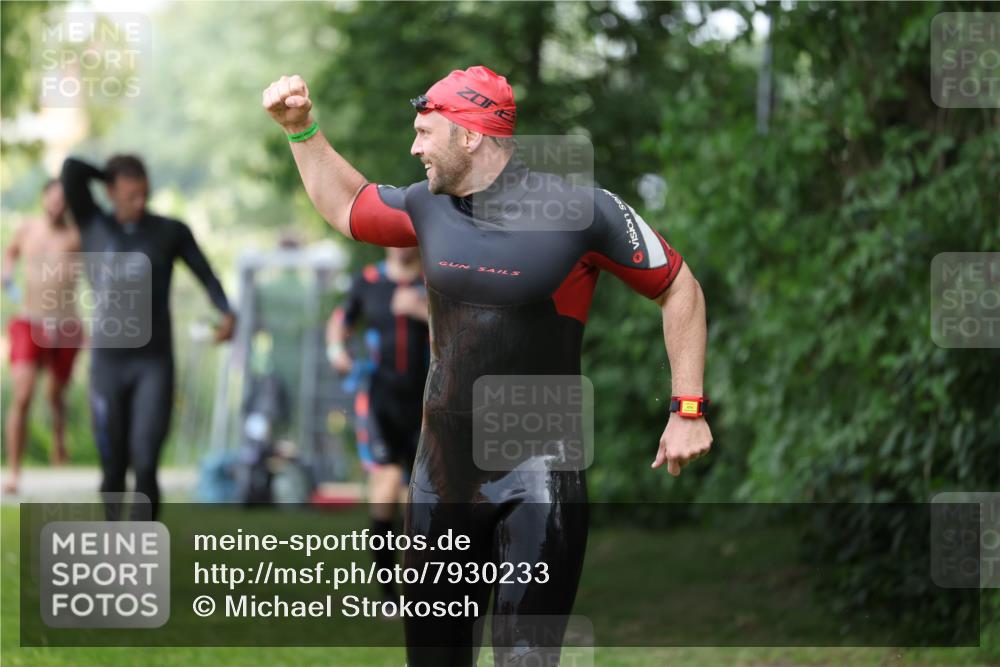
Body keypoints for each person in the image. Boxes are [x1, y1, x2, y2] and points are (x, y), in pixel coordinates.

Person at [263, 65, 711, 665]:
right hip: (439, 479)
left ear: (469, 136)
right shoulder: (428, 207)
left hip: (540, 481)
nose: (414, 146)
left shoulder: (584, 212)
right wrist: (301, 130)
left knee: (525, 659)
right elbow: (348, 203)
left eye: (426, 132)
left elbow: (678, 286)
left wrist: (687, 408)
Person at [60, 154, 236, 520]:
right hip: (108, 363)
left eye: (144, 194)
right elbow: (71, 169)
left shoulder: (169, 231)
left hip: (152, 362)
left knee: (145, 461)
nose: (139, 203)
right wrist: (106, 173)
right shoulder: (92, 223)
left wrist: (227, 313)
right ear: (110, 192)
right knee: (113, 466)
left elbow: (207, 276)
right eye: (129, 195)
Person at [326, 246, 430, 607]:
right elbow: (339, 322)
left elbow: (463, 328)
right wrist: (336, 352)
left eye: (407, 234)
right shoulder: (368, 281)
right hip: (379, 400)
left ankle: (420, 591)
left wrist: (420, 310)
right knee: (385, 487)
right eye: (393, 235)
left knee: (419, 498)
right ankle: (389, 594)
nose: (400, 243)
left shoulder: (434, 279)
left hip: (428, 402)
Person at [2, 180, 82, 494]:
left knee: (55, 395)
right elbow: (9, 253)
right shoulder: (27, 229)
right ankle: (14, 473)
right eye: (52, 200)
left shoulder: (78, 235)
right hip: (29, 321)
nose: (56, 206)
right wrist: (6, 272)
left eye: (63, 201)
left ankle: (59, 437)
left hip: (66, 325)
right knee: (22, 395)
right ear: (43, 199)